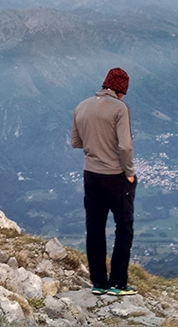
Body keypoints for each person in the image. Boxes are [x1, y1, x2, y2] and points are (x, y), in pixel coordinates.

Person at [71, 67, 138, 296]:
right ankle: (118, 284)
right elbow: (125, 146)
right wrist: (129, 172)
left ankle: (98, 283)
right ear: (121, 90)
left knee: (95, 229)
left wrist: (95, 144)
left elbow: (76, 142)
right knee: (124, 228)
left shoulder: (81, 106)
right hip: (116, 176)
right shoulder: (120, 108)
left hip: (91, 175)